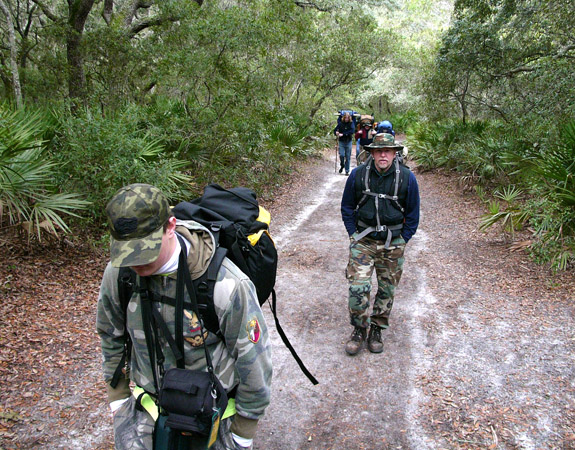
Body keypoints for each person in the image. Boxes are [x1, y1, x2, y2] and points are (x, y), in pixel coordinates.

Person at [96, 183, 272, 450]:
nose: (137, 263)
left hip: (212, 414)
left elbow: (254, 361)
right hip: (146, 409)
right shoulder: (119, 274)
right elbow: (110, 333)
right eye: (127, 252)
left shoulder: (227, 284)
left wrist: (243, 432)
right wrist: (118, 399)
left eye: (144, 249)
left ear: (170, 226)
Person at [340, 133, 420, 355]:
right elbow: (347, 207)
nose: (383, 154)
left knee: (387, 290)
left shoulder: (407, 178)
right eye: (378, 150)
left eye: (387, 150)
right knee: (358, 288)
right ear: (372, 153)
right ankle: (359, 329)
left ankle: (376, 328)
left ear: (395, 153)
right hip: (363, 241)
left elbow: (413, 214)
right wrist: (352, 234)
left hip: (392, 244)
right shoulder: (357, 175)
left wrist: (403, 239)